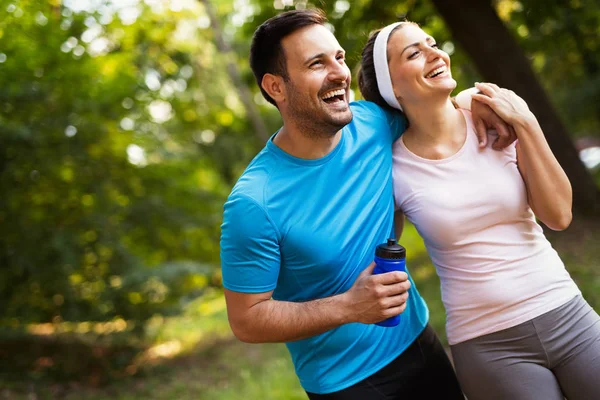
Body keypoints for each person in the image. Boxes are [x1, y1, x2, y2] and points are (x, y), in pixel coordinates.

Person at [220, 9, 510, 399]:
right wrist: (349, 307)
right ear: (276, 87)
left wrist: (476, 104)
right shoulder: (253, 202)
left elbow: (430, 105)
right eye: (316, 63)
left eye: (338, 57)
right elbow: (247, 320)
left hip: (418, 340)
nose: (339, 72)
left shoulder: (374, 123)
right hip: (346, 383)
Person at [358, 20, 600, 400]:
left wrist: (525, 121)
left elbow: (559, 215)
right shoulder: (391, 168)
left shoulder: (495, 116)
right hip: (489, 346)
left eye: (432, 44)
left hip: (567, 313)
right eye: (414, 53)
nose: (436, 54)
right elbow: (374, 245)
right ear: (392, 87)